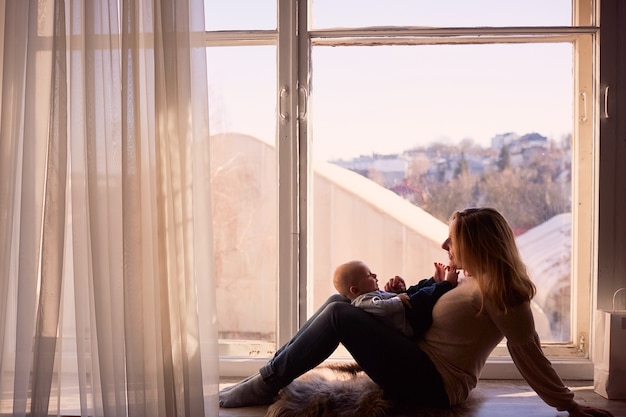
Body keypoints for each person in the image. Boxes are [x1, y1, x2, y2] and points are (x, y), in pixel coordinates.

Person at [219, 207, 614, 417]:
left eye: (453, 238)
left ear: (477, 244)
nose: (445, 244)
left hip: (435, 383)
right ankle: (271, 373)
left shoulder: (502, 291)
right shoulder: (470, 279)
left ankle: (268, 381)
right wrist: (406, 293)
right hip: (417, 362)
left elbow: (527, 350)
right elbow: (434, 321)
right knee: (341, 301)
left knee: (341, 315)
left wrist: (567, 403)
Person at [333, 260, 458, 337]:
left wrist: (397, 293)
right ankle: (447, 284)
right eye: (369, 275)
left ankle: (434, 281)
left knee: (413, 291)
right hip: (409, 323)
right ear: (355, 290)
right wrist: (397, 299)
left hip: (405, 314)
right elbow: (381, 307)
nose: (375, 275)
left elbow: (385, 300)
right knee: (421, 296)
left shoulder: (368, 295)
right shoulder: (361, 302)